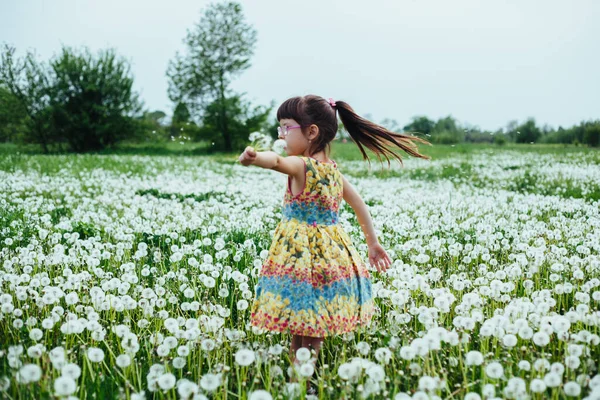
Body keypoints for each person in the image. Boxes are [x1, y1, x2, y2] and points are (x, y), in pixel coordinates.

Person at [238, 95, 431, 393]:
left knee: (304, 321)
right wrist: (372, 243)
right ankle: (301, 378)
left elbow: (276, 161)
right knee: (310, 322)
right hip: (331, 255)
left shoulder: (302, 166)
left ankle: (301, 381)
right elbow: (359, 206)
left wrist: (254, 158)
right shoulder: (334, 172)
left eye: (286, 128)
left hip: (300, 256)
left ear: (311, 132)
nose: (281, 135)